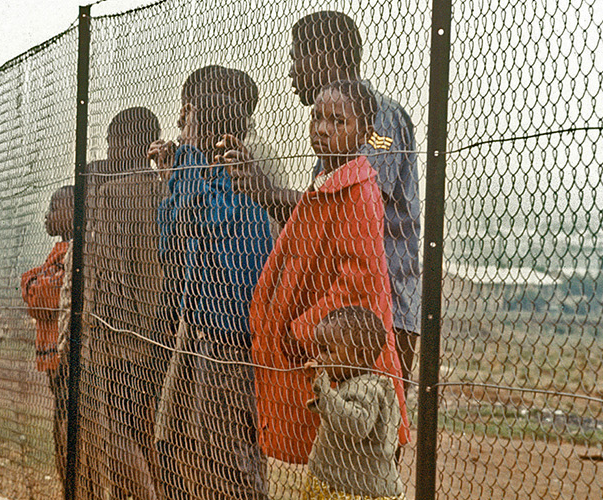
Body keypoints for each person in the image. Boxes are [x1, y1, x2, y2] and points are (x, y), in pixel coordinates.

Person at [225, 11, 422, 384]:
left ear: (326, 56)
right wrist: (260, 190)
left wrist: (265, 189)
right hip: (340, 312)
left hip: (379, 311)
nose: (291, 71)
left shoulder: (375, 115)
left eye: (297, 57)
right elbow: (319, 224)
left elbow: (350, 211)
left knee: (369, 430)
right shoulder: (334, 127)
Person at [240, 80, 408, 465]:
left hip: (350, 352)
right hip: (332, 347)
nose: (322, 128)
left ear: (365, 133)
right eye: (317, 117)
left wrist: (303, 330)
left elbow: (359, 281)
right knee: (332, 459)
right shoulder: (327, 185)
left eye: (337, 121)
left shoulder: (359, 193)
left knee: (354, 457)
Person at [149, 92, 272, 499]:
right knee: (198, 455)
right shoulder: (199, 179)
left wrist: (184, 158)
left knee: (230, 462)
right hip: (205, 334)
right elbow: (170, 243)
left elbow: (194, 219)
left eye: (188, 119)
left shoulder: (236, 180)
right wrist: (175, 177)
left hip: (232, 344)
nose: (179, 126)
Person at [81, 107, 169, 500]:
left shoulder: (110, 194)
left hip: (117, 336)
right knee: (150, 428)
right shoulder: (165, 184)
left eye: (112, 142)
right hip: (161, 332)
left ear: (127, 143)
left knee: (115, 426)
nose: (108, 151)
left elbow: (106, 270)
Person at [301, 307, 404, 500]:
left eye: (327, 351)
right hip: (340, 485)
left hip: (357, 491)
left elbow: (356, 425)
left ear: (361, 355)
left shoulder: (366, 388)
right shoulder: (348, 384)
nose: (319, 358)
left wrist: (323, 390)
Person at [19, 186, 76, 476]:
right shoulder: (59, 253)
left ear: (73, 212)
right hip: (57, 357)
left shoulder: (71, 254)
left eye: (55, 208)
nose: (47, 215)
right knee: (61, 425)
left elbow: (41, 296)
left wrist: (31, 284)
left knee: (67, 428)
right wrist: (33, 283)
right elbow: (34, 286)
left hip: (64, 354)